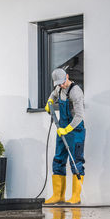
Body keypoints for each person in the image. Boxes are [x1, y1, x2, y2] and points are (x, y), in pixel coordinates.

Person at [44, 68, 86, 205]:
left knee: (76, 162)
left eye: (62, 83)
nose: (61, 85)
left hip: (75, 131)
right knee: (58, 160)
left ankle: (75, 197)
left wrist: (67, 129)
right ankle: (58, 196)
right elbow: (53, 95)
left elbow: (79, 116)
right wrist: (49, 103)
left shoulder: (76, 92)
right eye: (58, 84)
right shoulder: (58, 89)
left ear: (67, 77)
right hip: (61, 129)